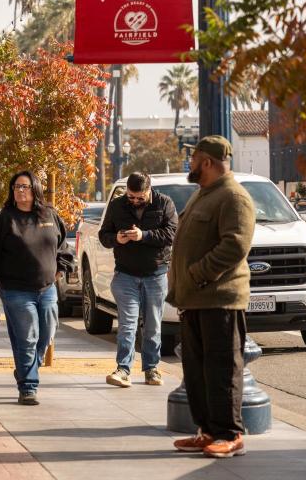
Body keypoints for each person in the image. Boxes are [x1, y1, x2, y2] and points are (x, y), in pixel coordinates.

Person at [168, 136, 254, 458]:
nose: (189, 163)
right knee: (197, 373)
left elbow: (234, 246)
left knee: (222, 371)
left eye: (193, 158)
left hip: (220, 300)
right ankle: (207, 431)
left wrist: (196, 274)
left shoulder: (234, 197)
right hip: (194, 300)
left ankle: (230, 435)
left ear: (207, 162)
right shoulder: (203, 194)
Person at [0, 171, 67, 406]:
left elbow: (62, 246)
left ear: (35, 189)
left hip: (47, 289)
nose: (20, 190)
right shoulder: (5, 218)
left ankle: (26, 369)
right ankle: (28, 387)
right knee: (27, 338)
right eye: (16, 187)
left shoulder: (49, 214)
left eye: (24, 186)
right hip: (16, 291)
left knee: (47, 334)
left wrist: (61, 270)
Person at [98, 172, 177, 388]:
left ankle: (151, 369)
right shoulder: (117, 205)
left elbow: (171, 234)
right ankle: (123, 369)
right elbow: (104, 235)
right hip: (125, 275)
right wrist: (116, 238)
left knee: (153, 326)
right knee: (127, 324)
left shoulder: (164, 203)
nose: (134, 201)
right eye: (131, 196)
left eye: (139, 197)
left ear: (149, 190)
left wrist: (144, 235)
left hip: (156, 275)